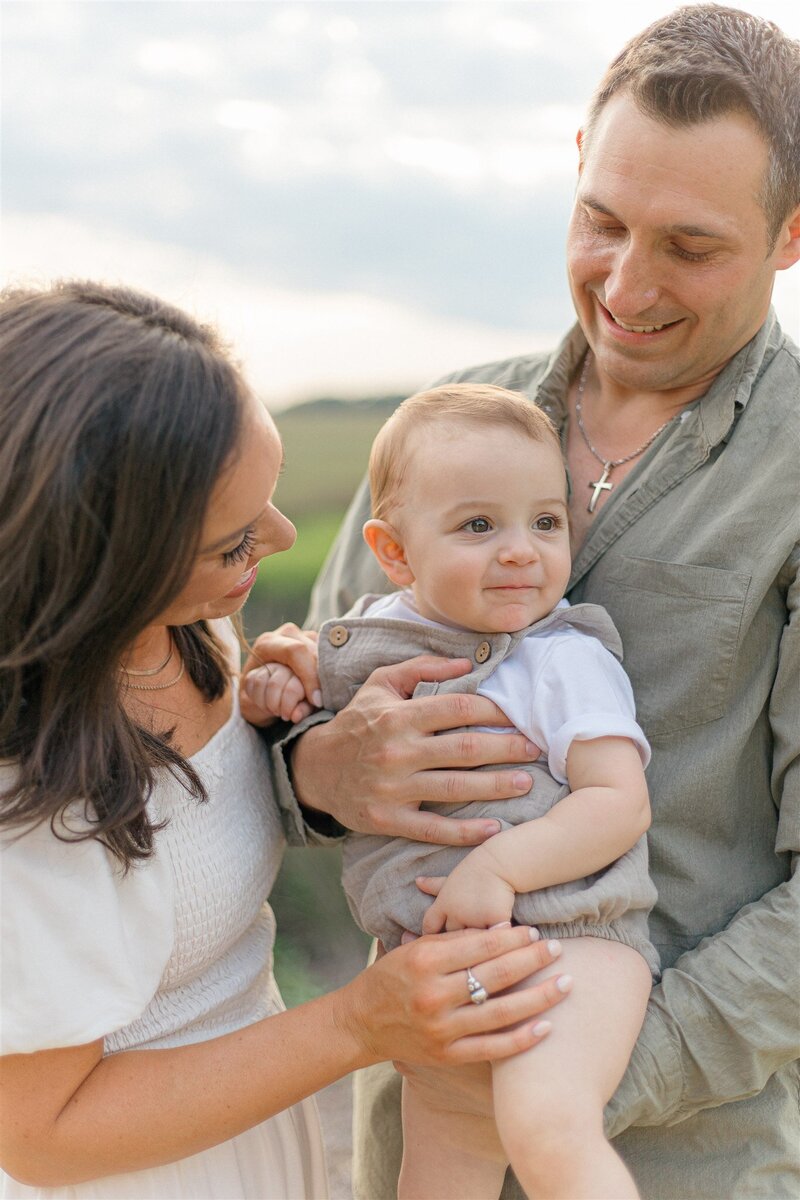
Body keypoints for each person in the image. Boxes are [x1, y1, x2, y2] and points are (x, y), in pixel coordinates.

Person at [250, 5, 800, 1198]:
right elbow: (300, 743)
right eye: (601, 220)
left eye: (688, 247)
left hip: (673, 1151)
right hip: (413, 1139)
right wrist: (316, 773)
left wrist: (561, 1069)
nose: (625, 282)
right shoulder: (448, 423)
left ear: (789, 235)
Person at [0, 281, 572, 1199]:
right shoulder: (25, 791)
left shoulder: (190, 635)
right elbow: (41, 1136)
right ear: (105, 568)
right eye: (234, 543)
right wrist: (360, 1024)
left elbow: (200, 817)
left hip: (254, 1143)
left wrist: (303, 736)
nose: (283, 534)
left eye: (269, 492)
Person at [244, 382, 659, 1199]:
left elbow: (618, 802)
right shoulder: (371, 633)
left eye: (545, 522)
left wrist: (500, 868)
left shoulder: (559, 659)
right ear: (395, 552)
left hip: (571, 942)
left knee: (548, 1127)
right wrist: (274, 689)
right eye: (479, 526)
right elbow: (303, 700)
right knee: (437, 1169)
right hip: (431, 966)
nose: (520, 550)